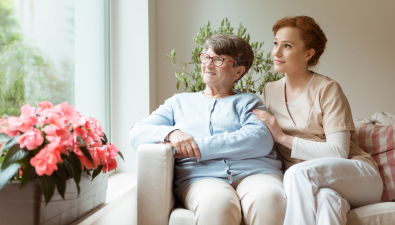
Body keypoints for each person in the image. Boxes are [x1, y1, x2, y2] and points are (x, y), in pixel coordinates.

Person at [130, 33, 286, 225]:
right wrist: (172, 133)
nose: (208, 64)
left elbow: (259, 140)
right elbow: (137, 133)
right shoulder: (178, 103)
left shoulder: (249, 101)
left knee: (269, 198)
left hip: (256, 173)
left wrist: (194, 147)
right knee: (217, 204)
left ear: (238, 72)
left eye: (218, 60)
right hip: (201, 178)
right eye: (206, 57)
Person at [252, 16, 383, 225]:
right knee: (327, 201)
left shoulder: (328, 89)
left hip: (357, 175)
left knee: (296, 174)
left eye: (287, 46)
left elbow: (338, 152)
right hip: (318, 184)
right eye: (276, 43)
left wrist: (283, 138)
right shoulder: (270, 90)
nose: (276, 52)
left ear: (308, 53)